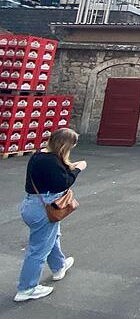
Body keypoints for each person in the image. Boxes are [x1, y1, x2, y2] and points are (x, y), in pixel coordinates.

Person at [15, 128, 86, 302]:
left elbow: (54, 174)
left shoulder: (39, 155)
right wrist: (78, 170)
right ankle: (26, 288)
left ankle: (59, 266)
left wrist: (70, 166)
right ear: (65, 145)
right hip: (44, 207)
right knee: (38, 250)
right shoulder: (51, 161)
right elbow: (63, 182)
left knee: (51, 237)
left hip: (32, 204)